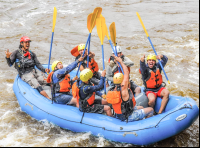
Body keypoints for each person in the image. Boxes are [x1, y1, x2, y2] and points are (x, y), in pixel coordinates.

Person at [106, 56, 154, 122]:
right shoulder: (124, 89)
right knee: (151, 109)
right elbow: (126, 73)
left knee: (141, 107)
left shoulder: (112, 90)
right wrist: (120, 61)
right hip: (128, 116)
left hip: (119, 114)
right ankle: (145, 125)